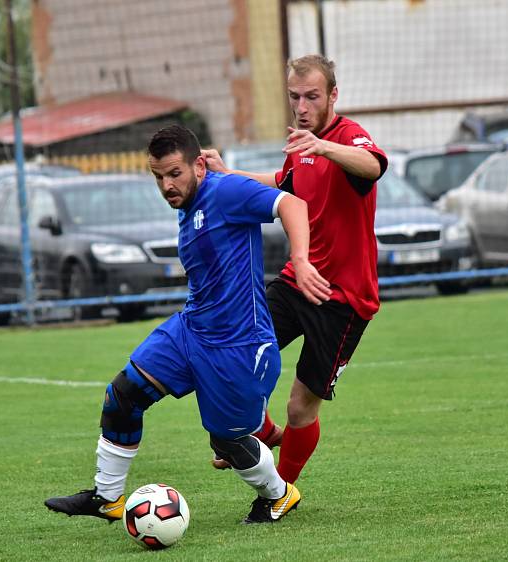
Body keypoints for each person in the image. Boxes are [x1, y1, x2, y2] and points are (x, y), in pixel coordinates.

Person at [44, 125, 329, 524]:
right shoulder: (189, 207)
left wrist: (300, 260)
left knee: (227, 441)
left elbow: (292, 205)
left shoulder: (225, 192)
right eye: (158, 176)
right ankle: (107, 498)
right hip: (190, 330)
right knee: (122, 396)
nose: (166, 185)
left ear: (198, 164)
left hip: (238, 346)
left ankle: (279, 494)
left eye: (174, 173)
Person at [202, 54, 387, 482]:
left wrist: (324, 146)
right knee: (235, 348)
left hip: (343, 298)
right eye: (294, 97)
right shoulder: (301, 145)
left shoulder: (348, 136)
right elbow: (284, 182)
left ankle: (280, 491)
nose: (301, 107)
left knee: (300, 406)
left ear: (333, 96)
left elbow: (373, 166)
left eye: (311, 97)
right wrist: (228, 174)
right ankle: (262, 433)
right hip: (295, 283)